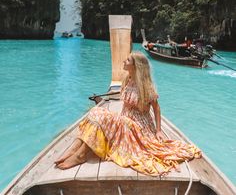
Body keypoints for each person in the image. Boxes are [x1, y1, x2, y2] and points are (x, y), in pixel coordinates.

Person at [55, 51, 201, 175]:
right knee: (96, 112)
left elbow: (156, 108)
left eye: (128, 60)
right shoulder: (127, 79)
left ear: (135, 66)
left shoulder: (147, 87)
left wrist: (158, 130)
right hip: (125, 120)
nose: (124, 61)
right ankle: (75, 149)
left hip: (138, 128)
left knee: (99, 113)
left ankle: (80, 155)